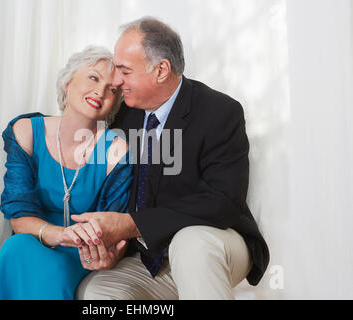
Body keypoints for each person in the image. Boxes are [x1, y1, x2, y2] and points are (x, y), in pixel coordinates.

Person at [74, 17, 270, 299]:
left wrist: (132, 225)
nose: (116, 81)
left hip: (216, 242)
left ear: (161, 70)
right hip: (151, 256)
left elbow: (222, 201)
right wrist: (112, 247)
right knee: (94, 292)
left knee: (190, 244)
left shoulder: (220, 112)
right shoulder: (124, 114)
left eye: (124, 70)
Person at [0, 46, 133, 300]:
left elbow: (114, 227)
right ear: (68, 82)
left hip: (82, 254)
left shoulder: (116, 150)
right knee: (15, 247)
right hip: (34, 239)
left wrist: (109, 255)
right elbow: (19, 215)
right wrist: (60, 235)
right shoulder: (27, 131)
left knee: (48, 267)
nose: (101, 91)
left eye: (112, 90)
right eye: (93, 77)